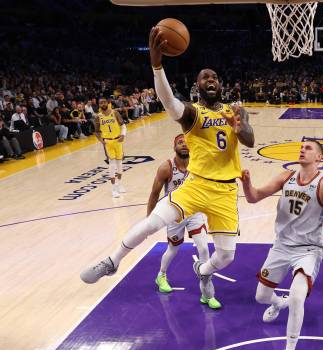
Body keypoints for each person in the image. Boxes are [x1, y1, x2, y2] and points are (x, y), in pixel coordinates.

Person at [81, 26, 254, 289]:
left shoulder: (237, 110)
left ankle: (203, 269)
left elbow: (250, 141)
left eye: (214, 77)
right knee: (152, 223)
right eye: (204, 77)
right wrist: (157, 66)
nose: (210, 80)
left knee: (227, 255)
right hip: (196, 185)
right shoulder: (192, 113)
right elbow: (167, 100)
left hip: (226, 191)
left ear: (220, 84)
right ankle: (112, 262)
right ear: (197, 86)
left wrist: (239, 127)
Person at [241, 140, 323, 350]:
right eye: (302, 147)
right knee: (261, 297)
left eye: (309, 148)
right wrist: (247, 184)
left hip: (309, 249)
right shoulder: (286, 176)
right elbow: (253, 198)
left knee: (298, 297)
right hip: (282, 246)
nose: (302, 149)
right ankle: (278, 304)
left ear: (319, 157)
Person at [147, 134, 220, 309]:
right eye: (180, 143)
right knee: (173, 249)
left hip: (194, 212)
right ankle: (161, 275)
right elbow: (154, 194)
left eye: (187, 143)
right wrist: (149, 221)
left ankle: (207, 293)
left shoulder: (198, 165)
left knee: (204, 248)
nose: (184, 145)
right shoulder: (166, 168)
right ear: (174, 147)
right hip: (174, 214)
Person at [95, 97, 127, 198]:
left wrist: (123, 135)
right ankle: (113, 189)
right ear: (99, 105)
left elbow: (123, 125)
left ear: (108, 103)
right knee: (112, 164)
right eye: (101, 103)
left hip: (118, 140)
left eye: (104, 102)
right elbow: (96, 131)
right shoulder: (98, 116)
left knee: (120, 164)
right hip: (108, 142)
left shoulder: (115, 113)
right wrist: (101, 140)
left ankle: (119, 184)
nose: (103, 104)